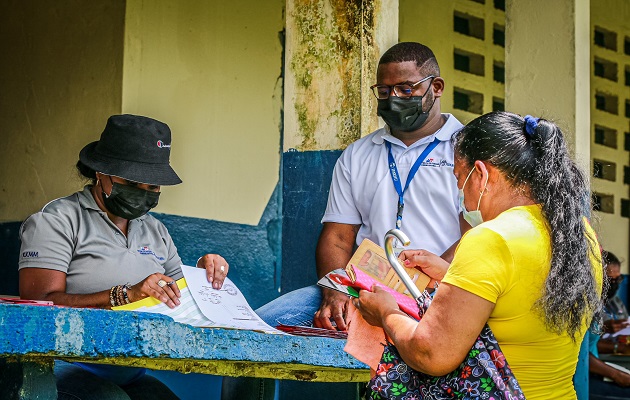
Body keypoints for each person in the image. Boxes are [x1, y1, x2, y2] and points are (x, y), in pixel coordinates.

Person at [222, 41, 467, 399]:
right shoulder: (359, 154)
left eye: (406, 89)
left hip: (437, 295)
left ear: (437, 87)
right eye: (384, 91)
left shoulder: (467, 148)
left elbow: (476, 235)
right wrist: (336, 291)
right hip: (360, 289)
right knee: (249, 333)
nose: (394, 98)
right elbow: (337, 237)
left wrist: (426, 290)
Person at [354, 111, 604, 399]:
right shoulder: (580, 234)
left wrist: (386, 312)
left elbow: (431, 353)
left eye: (460, 178)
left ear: (482, 175)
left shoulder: (491, 238)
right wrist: (451, 276)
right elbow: (517, 299)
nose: (461, 191)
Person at [19, 114, 230, 400]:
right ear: (100, 172)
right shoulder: (56, 221)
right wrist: (123, 295)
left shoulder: (156, 231)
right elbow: (38, 304)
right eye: (131, 182)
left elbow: (180, 298)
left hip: (128, 372)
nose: (142, 193)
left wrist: (203, 276)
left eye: (152, 187)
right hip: (61, 367)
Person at [588, 250, 630, 399]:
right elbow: (582, 353)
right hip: (589, 373)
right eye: (610, 280)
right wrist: (618, 375)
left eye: (617, 280)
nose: (614, 285)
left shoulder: (614, 301)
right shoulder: (588, 305)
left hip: (604, 367)